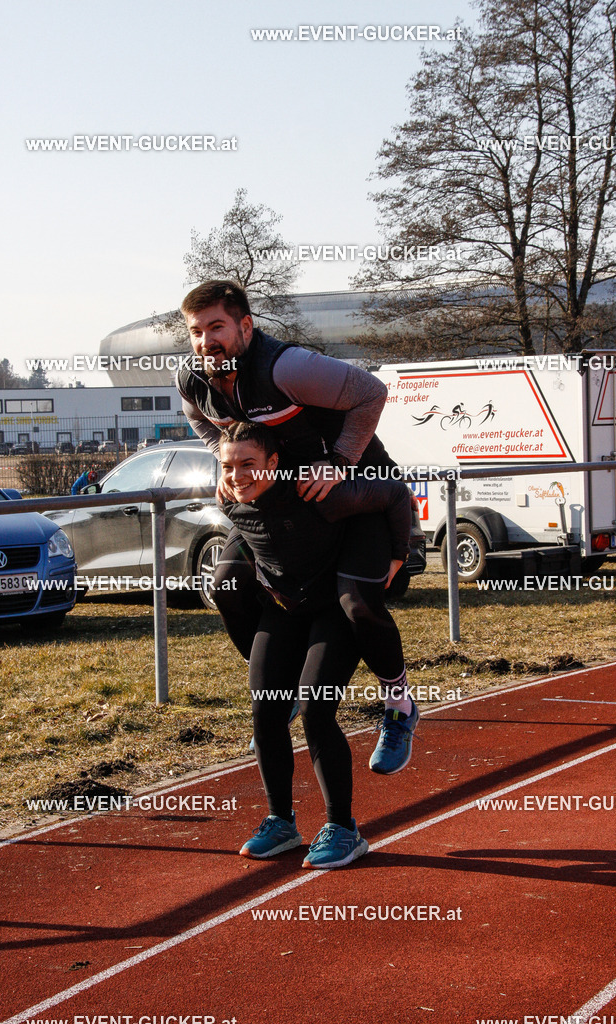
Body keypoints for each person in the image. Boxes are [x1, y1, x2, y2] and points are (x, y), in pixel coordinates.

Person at [176, 279, 419, 772]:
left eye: (217, 327)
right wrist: (226, 464)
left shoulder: (285, 366)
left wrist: (338, 462)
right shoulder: (193, 379)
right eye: (197, 331)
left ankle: (399, 705)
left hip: (353, 492)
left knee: (355, 602)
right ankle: (280, 690)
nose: (207, 341)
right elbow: (199, 420)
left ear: (245, 325)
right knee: (225, 585)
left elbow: (372, 392)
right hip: (283, 499)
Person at [218, 422, 414, 867]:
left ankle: (343, 828)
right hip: (283, 606)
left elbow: (395, 493)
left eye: (248, 464)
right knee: (266, 706)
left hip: (333, 609)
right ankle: (281, 821)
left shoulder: (315, 492)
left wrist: (399, 553)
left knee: (315, 705)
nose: (237, 475)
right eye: (228, 466)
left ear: (274, 463)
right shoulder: (230, 498)